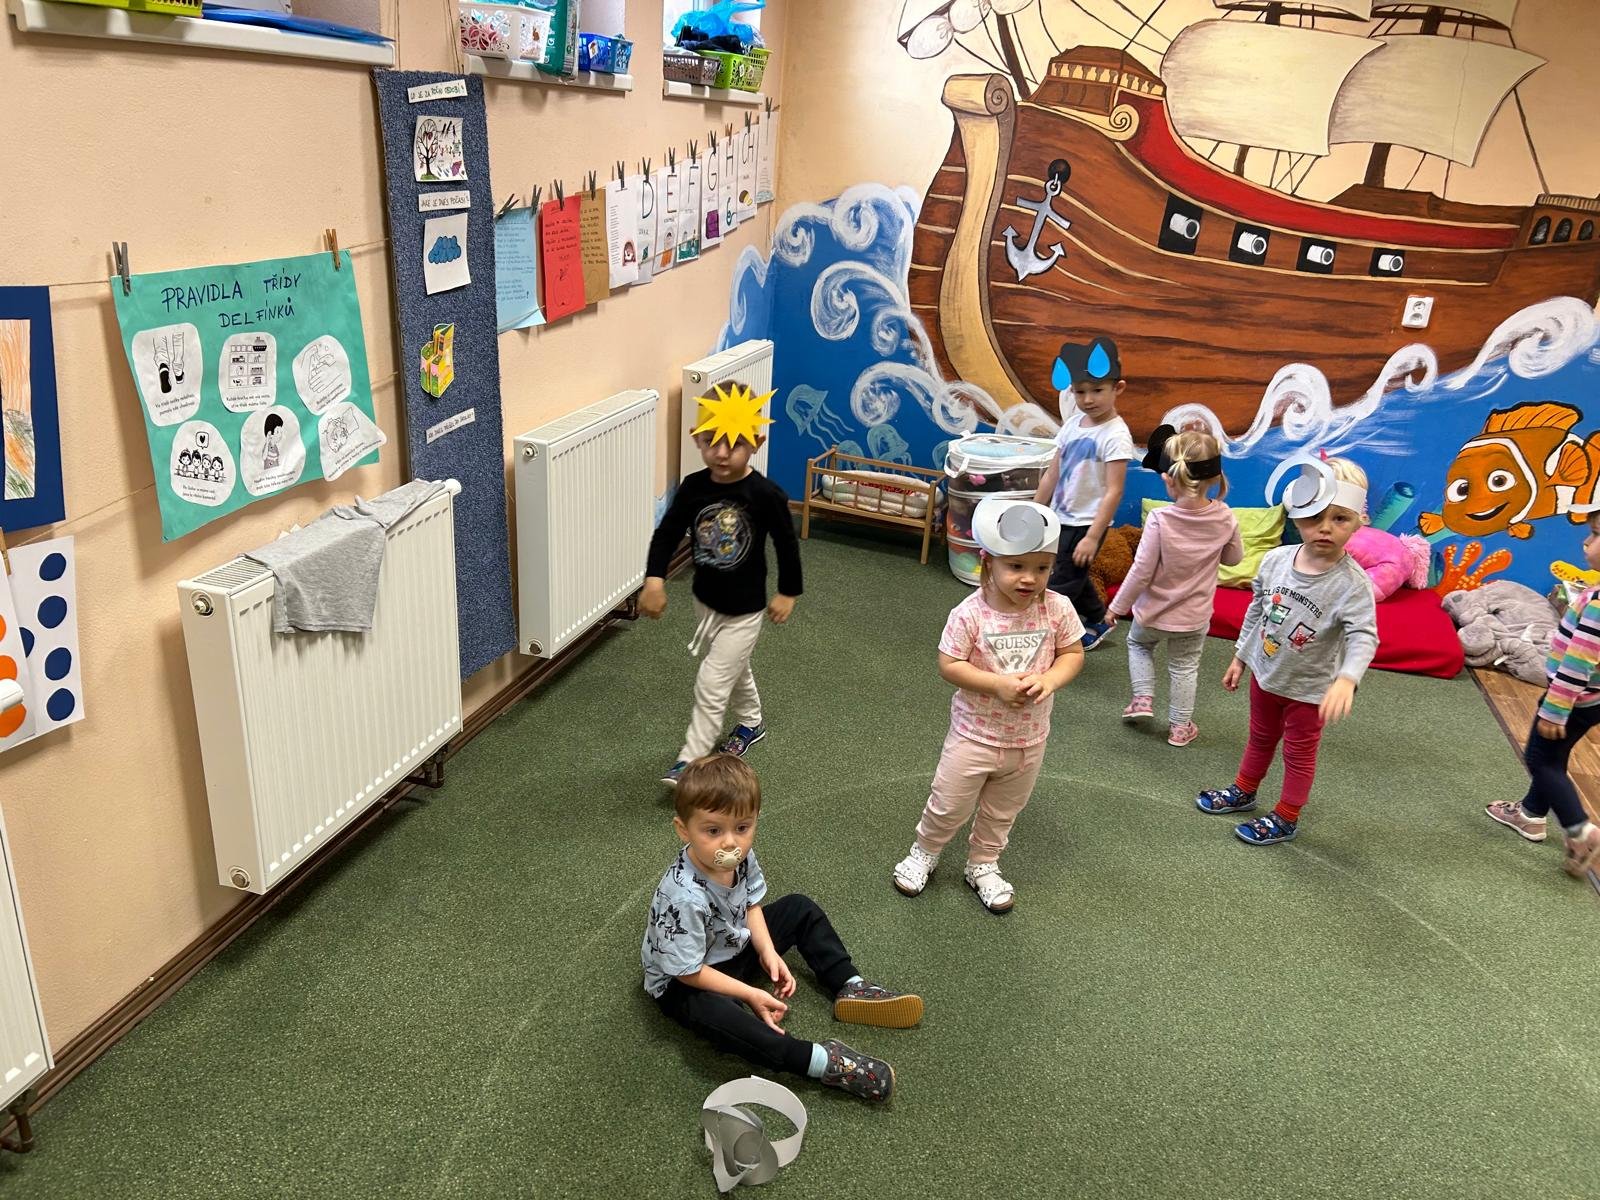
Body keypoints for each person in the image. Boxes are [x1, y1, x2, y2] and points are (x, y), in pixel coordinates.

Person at [644, 755, 921, 1102]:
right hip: (684, 979)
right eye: (713, 831)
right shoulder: (683, 896)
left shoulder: (739, 857)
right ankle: (816, 1060)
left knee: (799, 908)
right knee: (718, 1017)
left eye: (742, 828)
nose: (730, 843)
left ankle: (850, 985)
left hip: (728, 945)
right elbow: (688, 972)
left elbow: (750, 905)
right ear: (683, 829)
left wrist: (766, 950)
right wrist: (750, 993)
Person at [892, 497, 1085, 912]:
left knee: (1003, 811)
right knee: (948, 803)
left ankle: (983, 863)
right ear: (988, 562)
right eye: (1016, 566)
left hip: (1029, 740)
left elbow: (1073, 653)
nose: (1029, 578)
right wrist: (997, 685)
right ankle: (925, 851)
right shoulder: (970, 614)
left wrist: (1050, 679)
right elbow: (949, 665)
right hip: (974, 735)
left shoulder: (1057, 608)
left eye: (1042, 568)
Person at [1196, 455, 1377, 845]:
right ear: (1296, 515)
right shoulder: (1275, 560)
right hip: (1266, 673)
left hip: (1309, 690)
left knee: (1298, 753)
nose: (1325, 528)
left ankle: (1287, 816)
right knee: (1259, 737)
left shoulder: (1352, 584)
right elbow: (1258, 610)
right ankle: (1244, 790)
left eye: (1339, 519)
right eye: (1314, 517)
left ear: (1359, 520)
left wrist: (1347, 679)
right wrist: (1241, 656)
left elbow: (1365, 635)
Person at [642, 384, 800, 787]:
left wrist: (787, 592)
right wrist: (654, 579)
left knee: (713, 681)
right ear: (696, 439)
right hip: (705, 602)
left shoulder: (765, 494)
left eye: (736, 443)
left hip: (745, 610)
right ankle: (751, 722)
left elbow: (786, 543)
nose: (723, 452)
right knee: (733, 665)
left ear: (756, 443)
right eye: (712, 440)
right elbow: (667, 533)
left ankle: (691, 760)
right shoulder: (694, 487)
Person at [1107, 426, 1241, 747]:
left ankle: (1142, 699)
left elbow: (1141, 571)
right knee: (1184, 667)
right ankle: (1180, 728)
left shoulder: (1159, 519)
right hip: (1193, 618)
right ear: (1215, 477)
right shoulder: (1225, 516)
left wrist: (1116, 607)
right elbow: (1234, 559)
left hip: (1152, 613)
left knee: (1138, 645)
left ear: (1168, 479)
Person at [1484, 512, 1600, 882]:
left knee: (1540, 758)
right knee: (1555, 756)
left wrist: (1555, 707)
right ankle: (1531, 814)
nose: (1586, 542)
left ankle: (1580, 830)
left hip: (1573, 697)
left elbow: (1579, 661)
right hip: (1592, 699)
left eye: (1596, 535)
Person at [1033, 336, 1136, 650]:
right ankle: (1098, 618)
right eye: (1080, 391)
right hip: (1061, 517)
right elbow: (1053, 473)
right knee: (1072, 573)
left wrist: (1092, 537)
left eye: (1097, 390)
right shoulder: (1073, 425)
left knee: (1059, 585)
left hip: (1088, 522)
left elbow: (1115, 490)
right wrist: (1035, 510)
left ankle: (1046, 639)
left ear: (1118, 388)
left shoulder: (1116, 434)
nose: (1088, 399)